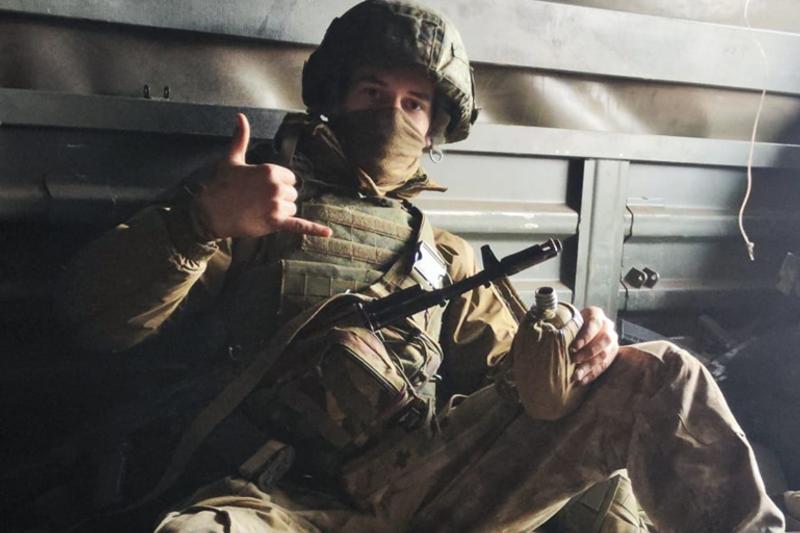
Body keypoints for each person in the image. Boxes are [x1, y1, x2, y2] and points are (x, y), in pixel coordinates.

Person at [57, 1, 785, 531]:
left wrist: (578, 345)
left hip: (424, 483)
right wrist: (201, 220)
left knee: (659, 373)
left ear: (435, 126)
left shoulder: (444, 254)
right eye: (373, 92)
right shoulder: (251, 208)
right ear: (334, 98)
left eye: (414, 103)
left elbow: (521, 381)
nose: (392, 115)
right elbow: (97, 323)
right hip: (278, 498)